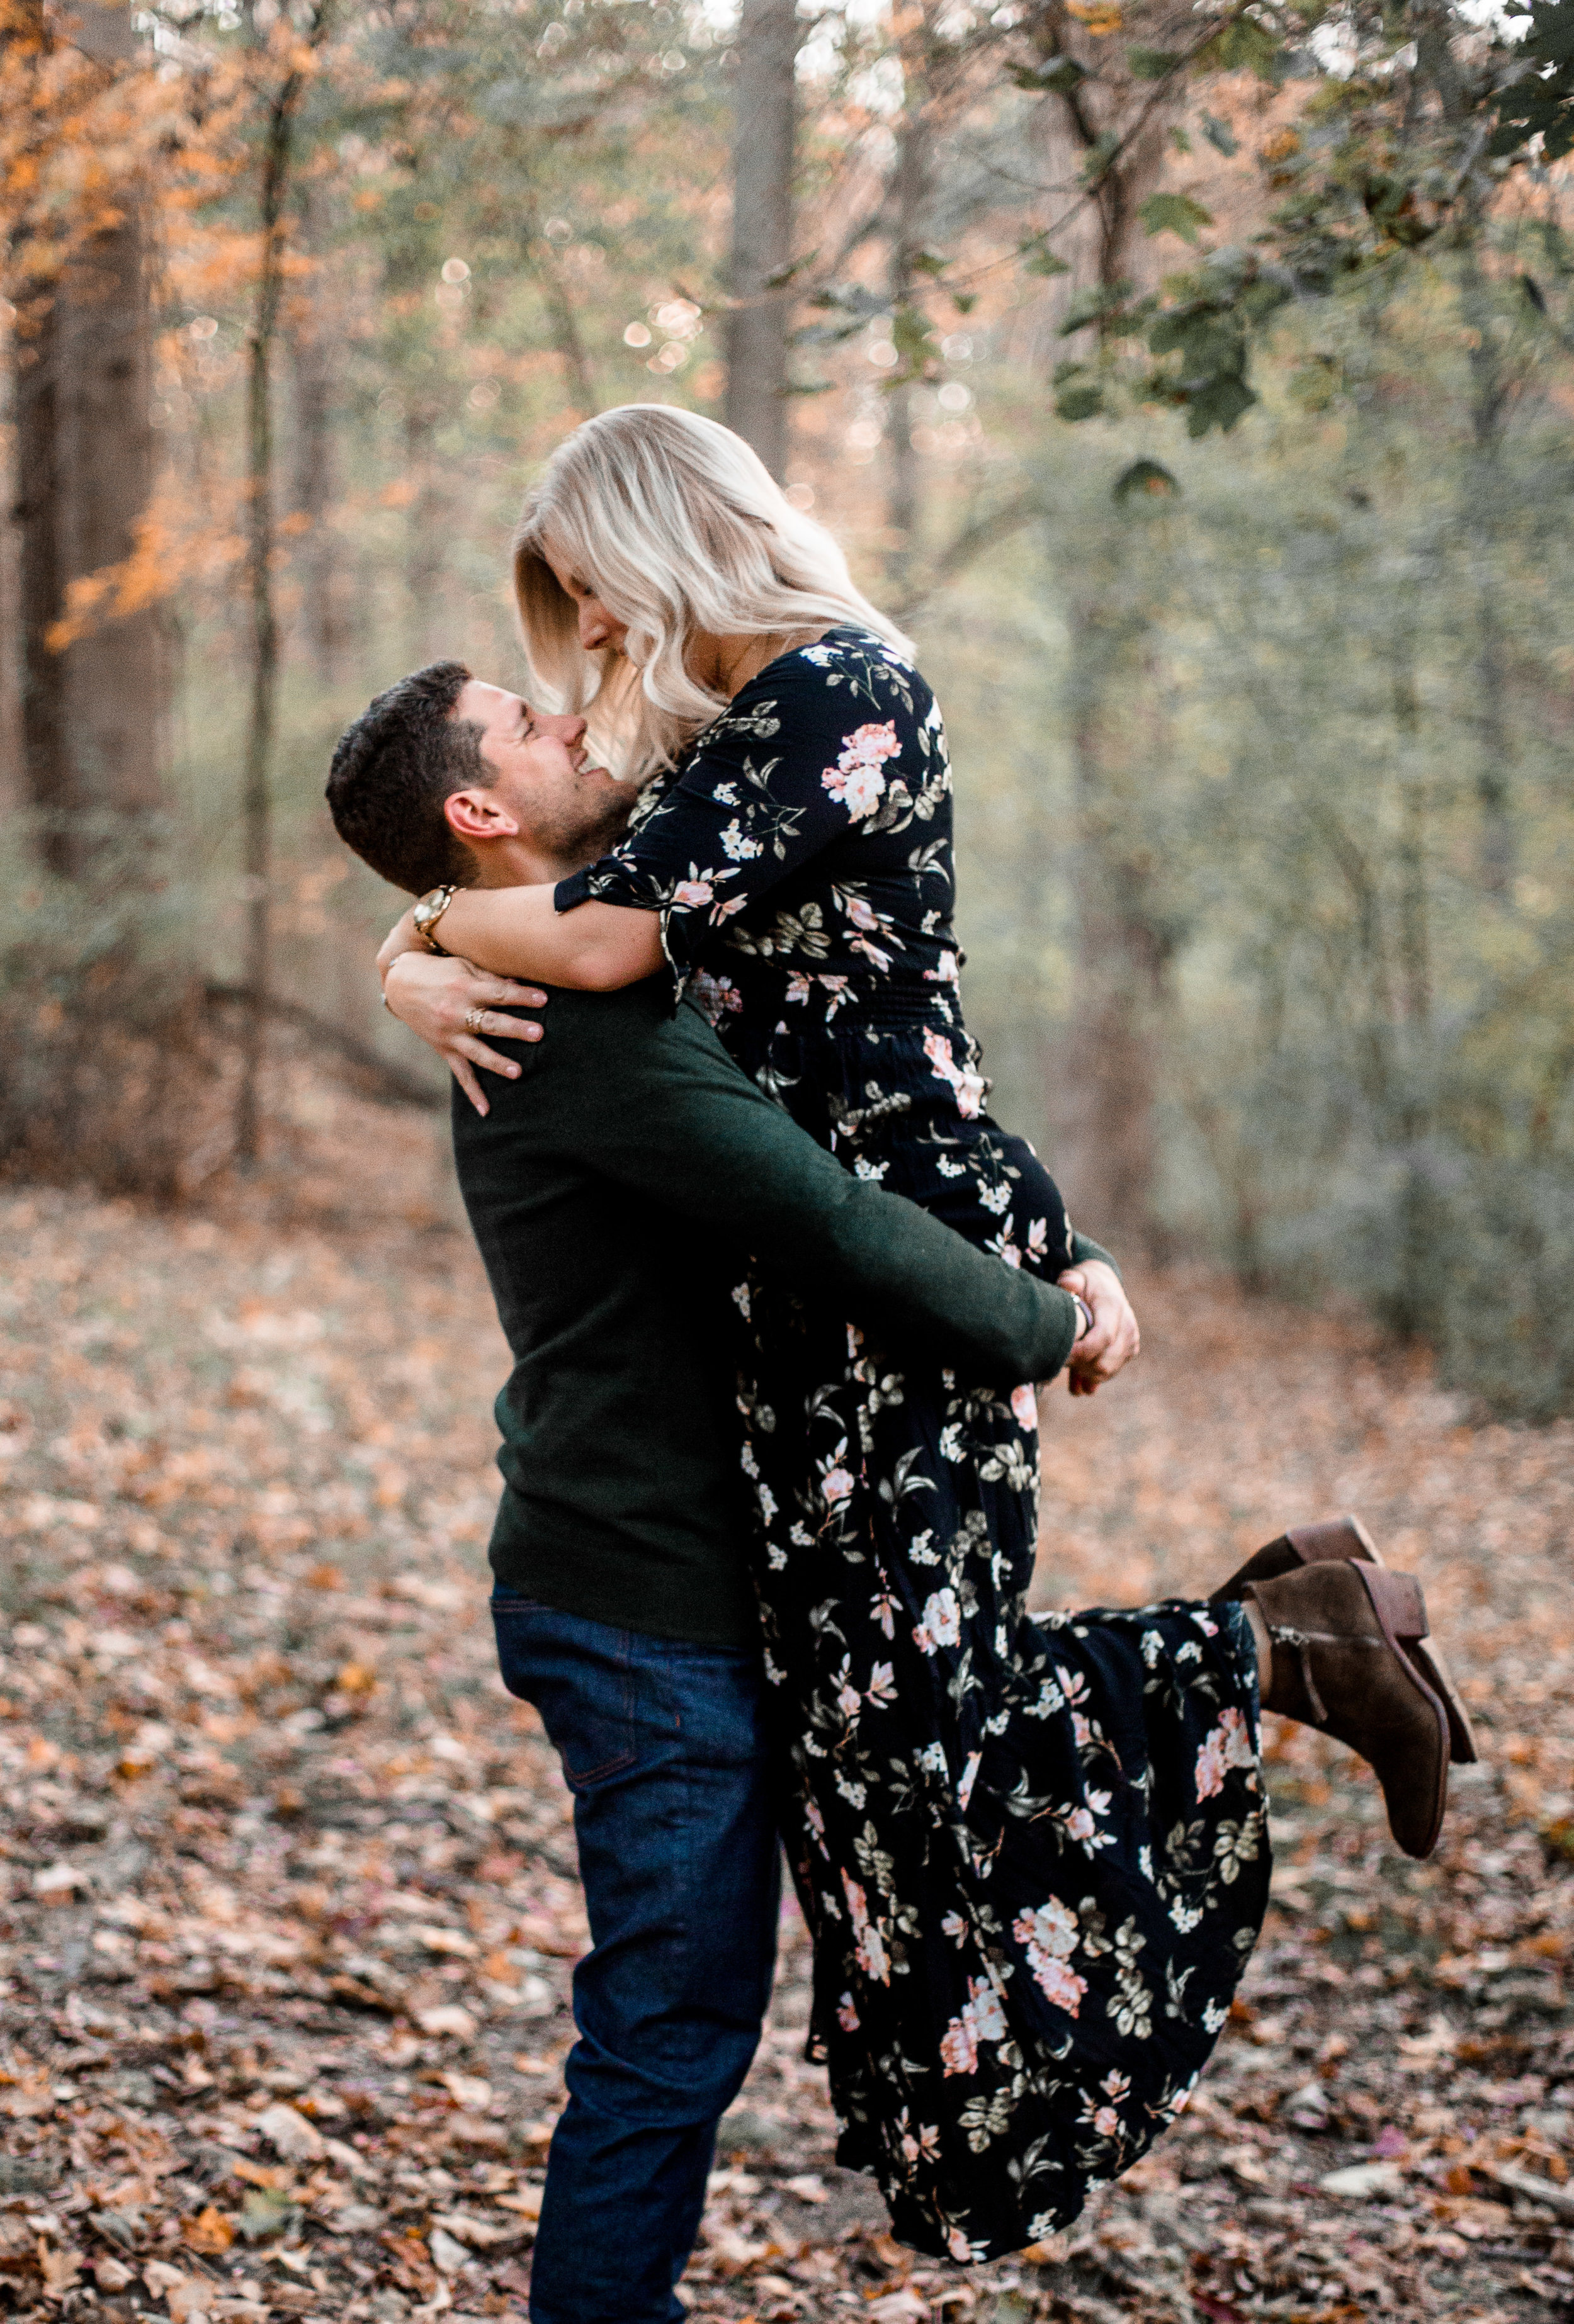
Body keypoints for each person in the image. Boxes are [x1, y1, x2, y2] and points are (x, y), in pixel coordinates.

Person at [371, 410, 1473, 2264]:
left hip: (883, 1275)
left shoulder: (837, 690)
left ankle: (1280, 1649)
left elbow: (638, 957)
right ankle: (1282, 1624)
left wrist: (416, 940)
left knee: (923, 1745)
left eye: (586, 602)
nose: (587, 652)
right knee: (899, 1749)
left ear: (661, 545)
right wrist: (411, 942)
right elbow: (624, 932)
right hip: (821, 1302)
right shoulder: (716, 760)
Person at [326, 660, 1122, 2322]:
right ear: (481, 812)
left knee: (687, 2007)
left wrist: (416, 939)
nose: (572, 720)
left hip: (661, 1575)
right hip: (629, 1599)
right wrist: (1049, 1322)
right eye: (533, 724)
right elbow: (823, 1215)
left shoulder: (574, 970)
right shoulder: (572, 1030)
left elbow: (878, 1071)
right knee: (671, 2021)